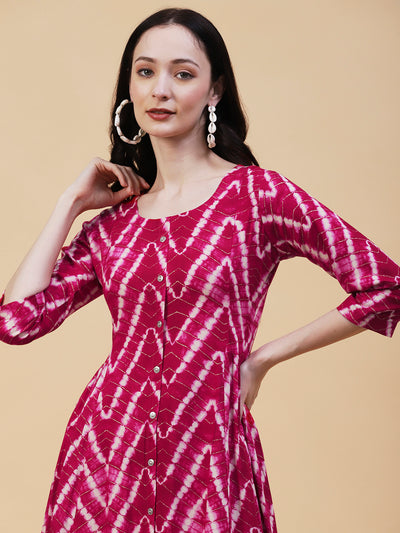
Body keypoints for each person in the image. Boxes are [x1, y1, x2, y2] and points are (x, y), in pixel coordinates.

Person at [0, 7, 399, 533]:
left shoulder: (257, 196)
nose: (160, 90)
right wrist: (69, 204)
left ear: (215, 90)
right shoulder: (114, 225)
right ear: (129, 88)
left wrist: (260, 360)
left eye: (182, 73)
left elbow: (384, 286)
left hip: (208, 454)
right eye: (145, 71)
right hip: (105, 459)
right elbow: (17, 321)